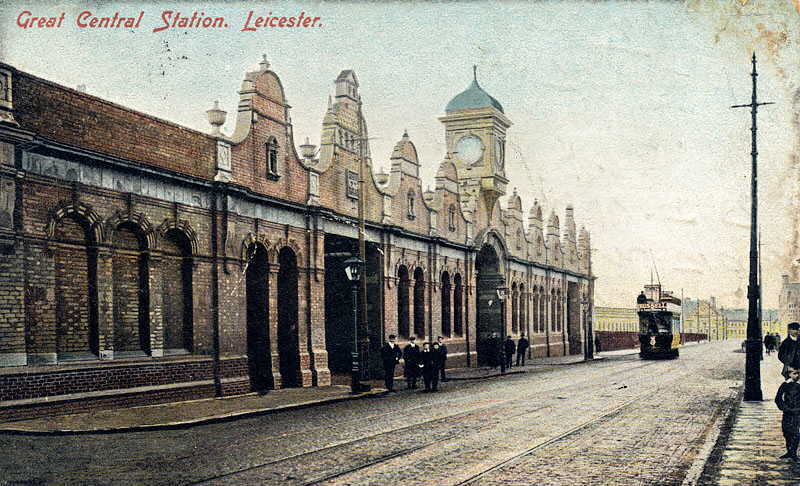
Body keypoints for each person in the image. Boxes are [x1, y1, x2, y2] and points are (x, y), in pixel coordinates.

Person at [775, 366, 800, 460]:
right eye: (794, 373)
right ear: (789, 374)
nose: (797, 376)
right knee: (786, 432)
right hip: (787, 412)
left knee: (796, 433)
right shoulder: (785, 385)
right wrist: (784, 408)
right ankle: (789, 451)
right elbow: (778, 398)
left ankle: (793, 452)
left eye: (798, 373)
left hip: (797, 413)